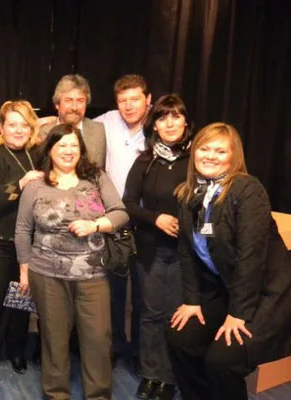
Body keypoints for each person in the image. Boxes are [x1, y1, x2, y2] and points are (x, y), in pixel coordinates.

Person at [167, 122, 291, 400]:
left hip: (268, 294)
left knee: (222, 359)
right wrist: (192, 300)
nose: (210, 155)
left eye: (220, 151)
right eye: (205, 148)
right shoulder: (188, 195)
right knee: (180, 337)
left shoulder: (247, 190)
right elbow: (187, 253)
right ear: (194, 152)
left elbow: (251, 259)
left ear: (234, 158)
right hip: (227, 288)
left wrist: (238, 315)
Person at [15, 123, 128, 400]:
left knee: (98, 339)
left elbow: (121, 213)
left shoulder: (96, 178)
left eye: (73, 145)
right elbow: (22, 230)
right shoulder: (35, 185)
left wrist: (96, 225)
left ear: (81, 149)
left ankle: (99, 395)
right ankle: (56, 395)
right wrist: (24, 272)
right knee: (54, 340)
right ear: (50, 150)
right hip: (47, 274)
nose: (68, 151)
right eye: (61, 145)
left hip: (93, 275)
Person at [122, 94, 193, 400]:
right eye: (163, 117)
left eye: (176, 116)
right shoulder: (145, 160)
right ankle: (150, 374)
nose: (170, 123)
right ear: (155, 125)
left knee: (174, 315)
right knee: (150, 313)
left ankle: (169, 377)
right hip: (150, 249)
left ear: (186, 122)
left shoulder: (196, 160)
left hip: (184, 253)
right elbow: (126, 203)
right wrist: (156, 219)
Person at [0, 100, 44, 378]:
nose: (18, 130)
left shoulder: (35, 154)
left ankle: (16, 349)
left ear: (31, 129)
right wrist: (20, 185)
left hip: (28, 245)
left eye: (24, 125)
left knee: (22, 300)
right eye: (12, 124)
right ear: (1, 128)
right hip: (0, 242)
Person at [94, 73, 152, 366]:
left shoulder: (160, 127)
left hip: (148, 223)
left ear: (148, 100)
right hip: (114, 221)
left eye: (135, 99)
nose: (128, 106)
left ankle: (143, 353)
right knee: (114, 291)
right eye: (122, 101)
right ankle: (115, 345)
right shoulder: (106, 121)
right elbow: (71, 121)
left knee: (144, 294)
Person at [39, 74, 106, 167]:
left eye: (80, 101)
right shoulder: (41, 133)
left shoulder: (99, 130)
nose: (74, 107)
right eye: (68, 100)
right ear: (57, 104)